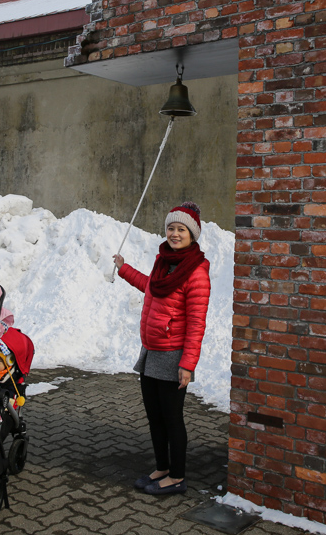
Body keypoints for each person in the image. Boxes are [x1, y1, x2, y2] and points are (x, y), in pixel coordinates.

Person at [113, 201, 211, 496]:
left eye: (181, 229)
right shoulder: (164, 262)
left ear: (192, 234)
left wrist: (187, 364)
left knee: (172, 419)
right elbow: (151, 286)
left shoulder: (195, 273)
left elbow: (196, 324)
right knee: (154, 416)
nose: (175, 233)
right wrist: (124, 269)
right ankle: (163, 467)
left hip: (173, 357)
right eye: (171, 228)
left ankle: (177, 477)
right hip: (151, 352)